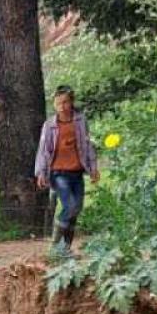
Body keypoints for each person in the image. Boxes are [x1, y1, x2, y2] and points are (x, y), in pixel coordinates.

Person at [35, 85, 100, 256]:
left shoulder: (80, 121)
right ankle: (55, 247)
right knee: (70, 206)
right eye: (58, 104)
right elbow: (43, 149)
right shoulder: (50, 125)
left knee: (76, 209)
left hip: (76, 172)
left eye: (65, 102)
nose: (62, 107)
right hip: (58, 173)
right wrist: (41, 172)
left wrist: (93, 168)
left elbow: (87, 145)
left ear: (71, 102)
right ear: (54, 105)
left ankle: (65, 249)